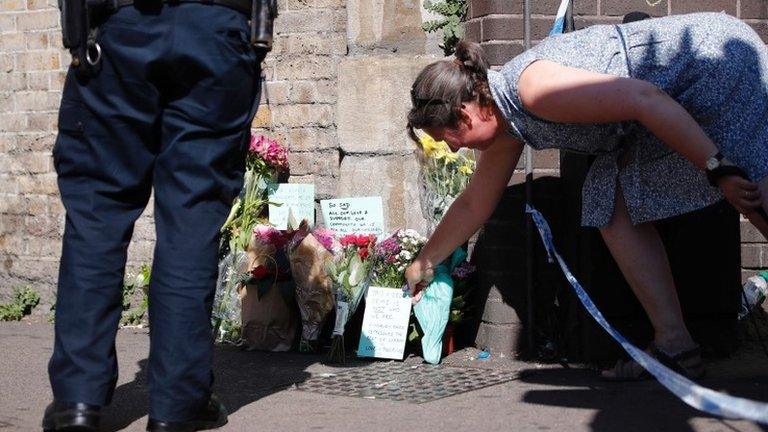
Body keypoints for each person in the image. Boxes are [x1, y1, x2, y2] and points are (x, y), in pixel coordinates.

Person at [404, 12, 768, 380]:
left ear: (464, 114)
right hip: (667, 100)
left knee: (752, 187)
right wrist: (423, 263)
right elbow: (473, 204)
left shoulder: (532, 88)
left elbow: (644, 97)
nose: (450, 150)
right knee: (609, 200)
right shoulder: (507, 122)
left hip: (715, 63)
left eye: (445, 138)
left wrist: (716, 166)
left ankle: (675, 342)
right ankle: (675, 345)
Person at [43, 0, 266, 430]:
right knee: (191, 218)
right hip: (216, 32)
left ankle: (79, 401)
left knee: (97, 214)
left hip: (121, 30)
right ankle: (178, 404)